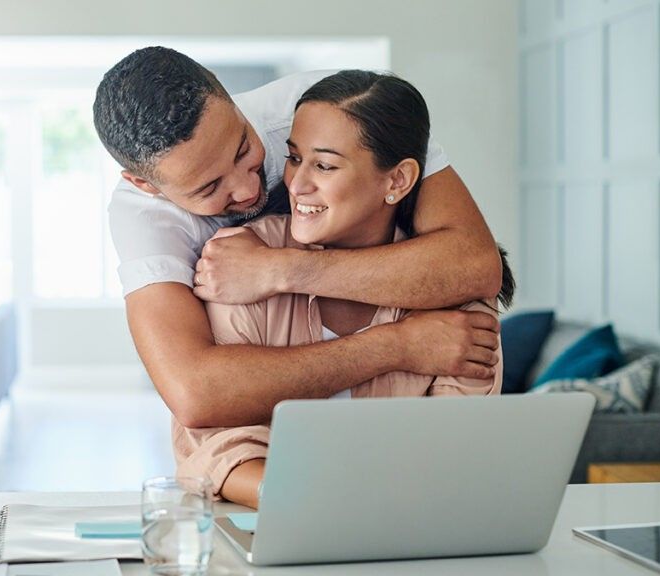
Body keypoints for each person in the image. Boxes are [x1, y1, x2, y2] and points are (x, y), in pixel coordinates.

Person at [92, 47, 503, 432]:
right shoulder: (143, 219)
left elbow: (475, 265)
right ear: (144, 185)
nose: (246, 189)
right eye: (209, 188)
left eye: (242, 150)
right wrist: (395, 347)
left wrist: (279, 269)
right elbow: (197, 393)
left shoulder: (327, 109)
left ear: (227, 95)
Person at [172, 70, 513, 509]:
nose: (295, 184)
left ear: (397, 182)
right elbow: (220, 450)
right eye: (294, 158)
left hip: (408, 534)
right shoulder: (239, 262)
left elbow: (457, 456)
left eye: (325, 165)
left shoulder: (456, 296)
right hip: (277, 524)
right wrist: (326, 502)